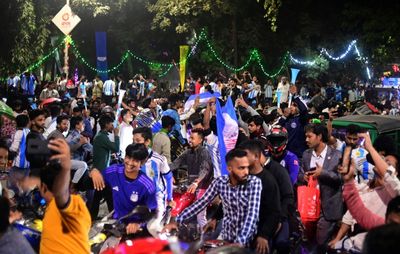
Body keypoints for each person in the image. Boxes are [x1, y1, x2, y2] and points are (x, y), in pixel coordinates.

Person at [164, 149, 262, 247]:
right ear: (229, 169)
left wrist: (239, 242)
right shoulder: (220, 182)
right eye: (241, 168)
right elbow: (201, 202)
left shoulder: (254, 183)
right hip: (226, 237)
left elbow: (252, 216)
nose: (246, 172)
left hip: (249, 242)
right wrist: (177, 221)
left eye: (247, 167)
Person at [39, 139, 91, 253]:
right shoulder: (75, 204)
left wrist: (66, 167)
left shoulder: (66, 203)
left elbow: (61, 195)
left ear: (43, 187)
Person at [299, 123, 343, 253]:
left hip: (327, 208)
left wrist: (322, 173)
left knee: (320, 242)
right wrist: (304, 177)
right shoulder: (306, 155)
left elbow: (340, 178)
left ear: (319, 136)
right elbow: (300, 175)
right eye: (305, 137)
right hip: (309, 207)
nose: (306, 140)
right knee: (308, 241)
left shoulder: (336, 155)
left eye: (309, 137)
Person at [237, 140, 281, 254]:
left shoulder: (268, 181)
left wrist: (264, 235)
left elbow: (274, 212)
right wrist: (215, 217)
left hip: (258, 237)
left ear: (256, 156)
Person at [103, 144, 157, 234]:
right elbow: (97, 178)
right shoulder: (113, 171)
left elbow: (153, 212)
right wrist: (93, 172)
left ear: (142, 163)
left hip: (135, 229)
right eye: (128, 157)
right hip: (116, 222)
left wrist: (138, 224)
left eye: (135, 160)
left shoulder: (147, 186)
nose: (130, 163)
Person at [132, 127, 173, 235]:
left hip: (157, 200)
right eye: (133, 140)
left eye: (138, 141)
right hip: (138, 200)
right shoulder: (131, 159)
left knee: (153, 228)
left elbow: (168, 178)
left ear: (147, 142)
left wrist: (170, 198)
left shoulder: (159, 159)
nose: (134, 144)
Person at [170, 128, 213, 227]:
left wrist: (196, 182)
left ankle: (206, 237)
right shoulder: (188, 152)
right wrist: (165, 171)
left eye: (192, 138)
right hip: (191, 186)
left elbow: (205, 169)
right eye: (190, 137)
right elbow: (175, 163)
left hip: (203, 187)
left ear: (200, 140)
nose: (190, 140)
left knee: (200, 216)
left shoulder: (204, 152)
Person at [89, 115, 120, 219]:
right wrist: (117, 135)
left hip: (101, 171)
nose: (113, 126)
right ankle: (114, 215)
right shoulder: (101, 137)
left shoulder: (102, 136)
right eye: (111, 124)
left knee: (98, 195)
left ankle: (92, 216)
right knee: (109, 194)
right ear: (106, 125)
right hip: (101, 172)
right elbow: (116, 148)